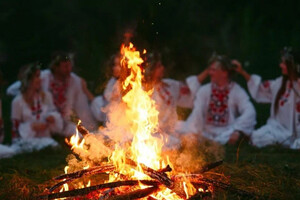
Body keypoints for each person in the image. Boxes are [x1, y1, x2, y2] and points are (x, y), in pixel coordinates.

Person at [6, 52, 97, 135]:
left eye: (70, 66)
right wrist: (32, 94)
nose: (68, 69)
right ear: (55, 67)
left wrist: (91, 129)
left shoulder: (75, 81)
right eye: (65, 67)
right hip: (41, 119)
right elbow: (11, 90)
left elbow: (82, 106)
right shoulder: (43, 77)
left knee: (79, 134)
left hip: (62, 121)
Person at [178, 53, 256, 144]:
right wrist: (194, 131)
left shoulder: (237, 91)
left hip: (227, 133)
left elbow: (250, 111)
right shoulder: (204, 90)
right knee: (177, 126)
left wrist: (237, 131)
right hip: (204, 133)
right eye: (210, 70)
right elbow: (197, 113)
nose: (210, 73)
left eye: (213, 70)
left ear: (224, 73)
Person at [236, 47, 300, 149]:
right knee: (257, 137)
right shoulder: (279, 83)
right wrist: (242, 72)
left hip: (294, 131)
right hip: (276, 128)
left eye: (284, 63)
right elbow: (260, 88)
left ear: (292, 66)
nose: (280, 65)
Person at [0, 63, 63, 159]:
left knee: (53, 145)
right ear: (28, 80)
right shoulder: (18, 101)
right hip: (25, 140)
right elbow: (15, 130)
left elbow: (53, 112)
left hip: (45, 137)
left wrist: (52, 117)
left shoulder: (45, 96)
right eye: (37, 76)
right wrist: (31, 127)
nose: (40, 79)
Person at [145, 52, 202, 135]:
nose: (162, 68)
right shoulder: (143, 91)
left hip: (169, 130)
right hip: (151, 132)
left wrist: (207, 72)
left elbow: (190, 87)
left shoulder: (170, 84)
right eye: (158, 66)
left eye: (161, 65)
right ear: (151, 70)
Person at [88, 54, 122, 122]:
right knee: (96, 101)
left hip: (123, 121)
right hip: (110, 119)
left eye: (118, 65)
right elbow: (107, 97)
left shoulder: (131, 83)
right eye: (114, 65)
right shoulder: (112, 81)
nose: (115, 68)